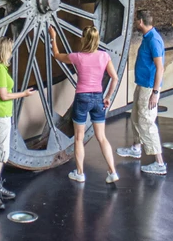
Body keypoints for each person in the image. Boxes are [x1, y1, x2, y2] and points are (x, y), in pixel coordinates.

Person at [49, 24, 120, 185]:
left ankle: (80, 173)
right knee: (101, 137)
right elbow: (114, 78)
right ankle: (112, 171)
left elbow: (57, 55)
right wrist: (107, 96)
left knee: (79, 139)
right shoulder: (104, 56)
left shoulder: (78, 57)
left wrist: (53, 36)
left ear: (83, 39)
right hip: (98, 97)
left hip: (82, 98)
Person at [0, 36, 35, 210]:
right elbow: (4, 95)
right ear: (5, 51)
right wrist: (24, 94)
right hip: (0, 115)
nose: (11, 52)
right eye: (10, 49)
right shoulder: (0, 70)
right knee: (0, 154)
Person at [118, 10, 166, 175]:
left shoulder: (153, 40)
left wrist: (155, 92)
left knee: (146, 122)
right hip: (143, 85)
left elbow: (160, 67)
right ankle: (136, 148)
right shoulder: (149, 37)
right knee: (136, 117)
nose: (134, 24)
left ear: (140, 22)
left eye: (135, 21)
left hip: (148, 88)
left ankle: (159, 163)